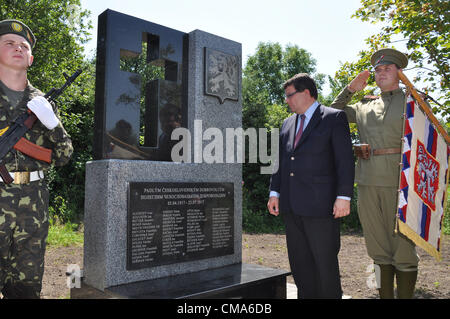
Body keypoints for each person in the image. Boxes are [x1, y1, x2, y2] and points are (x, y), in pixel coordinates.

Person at [330, 48, 419, 299]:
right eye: (378, 70)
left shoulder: (413, 102)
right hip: (367, 183)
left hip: (401, 184)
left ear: (400, 73)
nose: (381, 74)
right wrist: (350, 89)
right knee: (377, 250)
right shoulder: (364, 106)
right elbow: (332, 113)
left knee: (403, 250)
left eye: (387, 69)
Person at [0, 19, 73, 298]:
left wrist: (53, 124)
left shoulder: (42, 103)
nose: (18, 47)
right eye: (9, 42)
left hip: (34, 209)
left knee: (26, 291)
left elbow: (65, 157)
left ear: (30, 59)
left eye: (23, 46)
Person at [267, 73, 354, 299]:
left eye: (289, 95)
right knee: (300, 265)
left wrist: (344, 196)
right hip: (291, 207)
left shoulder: (334, 118)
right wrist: (274, 192)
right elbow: (280, 161)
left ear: (306, 92)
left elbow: (344, 161)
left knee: (324, 265)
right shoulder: (287, 123)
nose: (286, 100)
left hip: (321, 208)